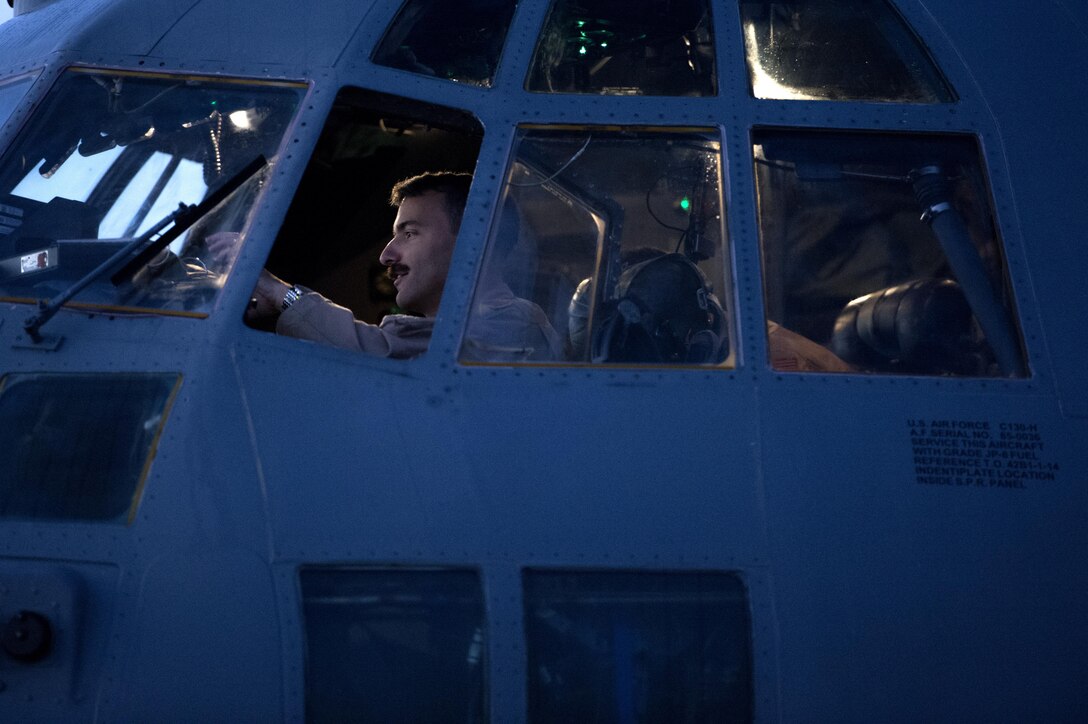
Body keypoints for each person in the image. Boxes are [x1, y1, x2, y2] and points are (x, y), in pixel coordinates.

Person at [236, 171, 560, 360]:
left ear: (475, 241)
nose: (386, 256)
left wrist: (281, 293)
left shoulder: (512, 323)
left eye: (409, 233)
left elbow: (381, 351)